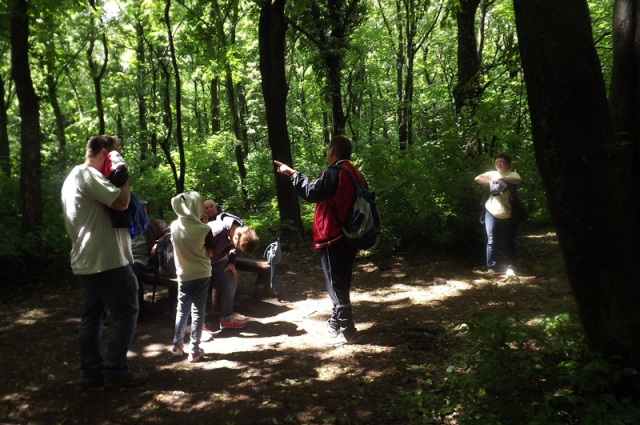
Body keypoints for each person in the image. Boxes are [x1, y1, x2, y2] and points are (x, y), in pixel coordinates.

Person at [61, 135, 148, 390]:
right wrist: (122, 171)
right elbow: (121, 202)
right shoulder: (88, 175)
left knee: (92, 317)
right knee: (126, 312)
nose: (115, 159)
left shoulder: (74, 178)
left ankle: (91, 374)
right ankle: (116, 372)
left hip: (88, 261)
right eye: (113, 153)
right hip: (107, 261)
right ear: (102, 152)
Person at [274, 135, 364, 347]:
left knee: (336, 284)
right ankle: (335, 323)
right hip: (351, 235)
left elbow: (312, 192)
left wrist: (293, 173)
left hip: (334, 237)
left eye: (327, 150)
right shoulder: (355, 173)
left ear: (332, 151)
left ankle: (348, 331)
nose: (326, 153)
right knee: (342, 280)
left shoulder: (334, 173)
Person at [170, 191, 217, 363]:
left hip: (183, 273)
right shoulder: (205, 229)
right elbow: (210, 252)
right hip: (202, 273)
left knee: (182, 309)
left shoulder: (174, 226)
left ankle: (177, 346)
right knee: (198, 311)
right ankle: (194, 350)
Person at [207, 212, 260, 330]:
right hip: (201, 260)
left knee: (231, 277)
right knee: (202, 285)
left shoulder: (239, 227)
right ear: (236, 237)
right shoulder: (216, 231)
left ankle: (226, 319)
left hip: (217, 258)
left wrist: (231, 262)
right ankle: (198, 324)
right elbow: (200, 249)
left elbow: (232, 249)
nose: (236, 247)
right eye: (237, 245)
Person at [474, 152, 523, 276]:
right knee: (491, 240)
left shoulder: (512, 174)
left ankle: (510, 267)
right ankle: (491, 267)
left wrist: (501, 178)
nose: (499, 164)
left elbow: (518, 180)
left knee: (509, 241)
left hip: (508, 214)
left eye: (501, 161)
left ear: (507, 163)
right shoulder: (491, 174)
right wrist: (490, 181)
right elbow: (477, 178)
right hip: (490, 212)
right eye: (497, 162)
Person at [130, 200, 168, 310]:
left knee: (131, 274)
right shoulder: (127, 224)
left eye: (143, 208)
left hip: (141, 259)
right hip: (125, 257)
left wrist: (157, 244)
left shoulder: (154, 224)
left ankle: (137, 310)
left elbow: (170, 232)